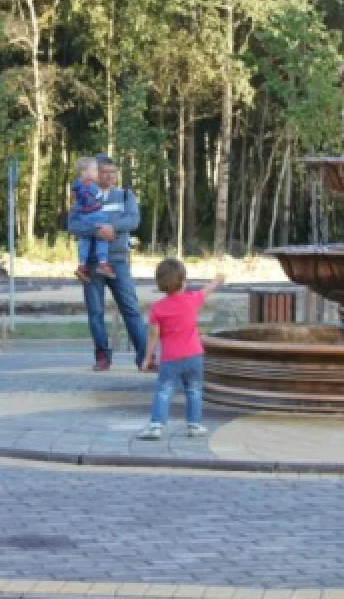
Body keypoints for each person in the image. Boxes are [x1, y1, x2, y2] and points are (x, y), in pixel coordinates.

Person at [66, 154, 148, 371]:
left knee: (131, 309)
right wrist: (96, 230)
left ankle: (145, 358)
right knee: (95, 312)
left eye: (113, 173)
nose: (110, 177)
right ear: (94, 174)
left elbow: (134, 220)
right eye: (104, 172)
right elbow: (72, 225)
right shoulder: (83, 196)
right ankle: (102, 356)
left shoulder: (125, 195)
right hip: (92, 263)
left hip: (118, 261)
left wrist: (112, 227)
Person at [136, 259, 225, 440]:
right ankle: (194, 424)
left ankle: (156, 425)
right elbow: (206, 291)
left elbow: (153, 335)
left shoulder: (157, 308)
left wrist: (147, 358)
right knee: (194, 390)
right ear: (184, 282)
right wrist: (217, 280)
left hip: (170, 358)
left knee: (164, 391)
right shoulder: (192, 300)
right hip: (194, 355)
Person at [70, 157, 114, 282]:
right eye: (95, 170)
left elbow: (75, 201)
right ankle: (103, 262)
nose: (97, 173)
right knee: (103, 235)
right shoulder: (89, 186)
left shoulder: (77, 185)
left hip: (82, 217)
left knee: (84, 240)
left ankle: (82, 265)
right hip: (94, 216)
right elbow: (95, 199)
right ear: (85, 173)